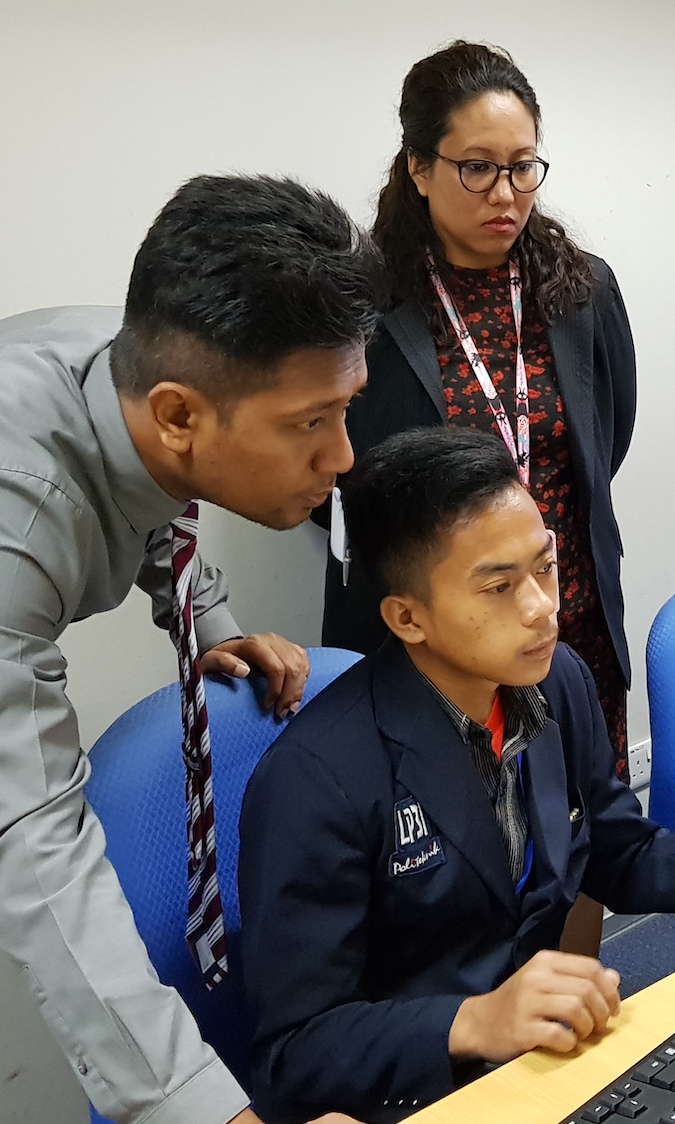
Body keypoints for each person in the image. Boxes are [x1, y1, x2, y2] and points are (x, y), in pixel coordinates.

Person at [240, 428, 675, 1124]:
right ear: (408, 618)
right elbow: (296, 1047)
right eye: (499, 586)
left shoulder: (557, 683)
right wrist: (473, 1021)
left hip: (537, 1070)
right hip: (412, 1095)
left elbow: (624, 857)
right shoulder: (318, 777)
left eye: (544, 568)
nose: (542, 607)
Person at [0, 176, 378, 1124]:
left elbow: (160, 502)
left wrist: (210, 620)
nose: (343, 460)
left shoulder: (135, 371)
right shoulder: (17, 515)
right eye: (309, 425)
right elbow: (35, 843)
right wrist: (209, 1112)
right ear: (177, 415)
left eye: (346, 409)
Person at [321, 40, 637, 781]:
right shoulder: (360, 304)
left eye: (523, 166)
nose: (505, 193)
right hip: (427, 640)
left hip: (562, 623)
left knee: (583, 833)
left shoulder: (584, 292)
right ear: (420, 167)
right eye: (478, 167)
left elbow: (603, 442)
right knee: (447, 853)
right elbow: (329, 481)